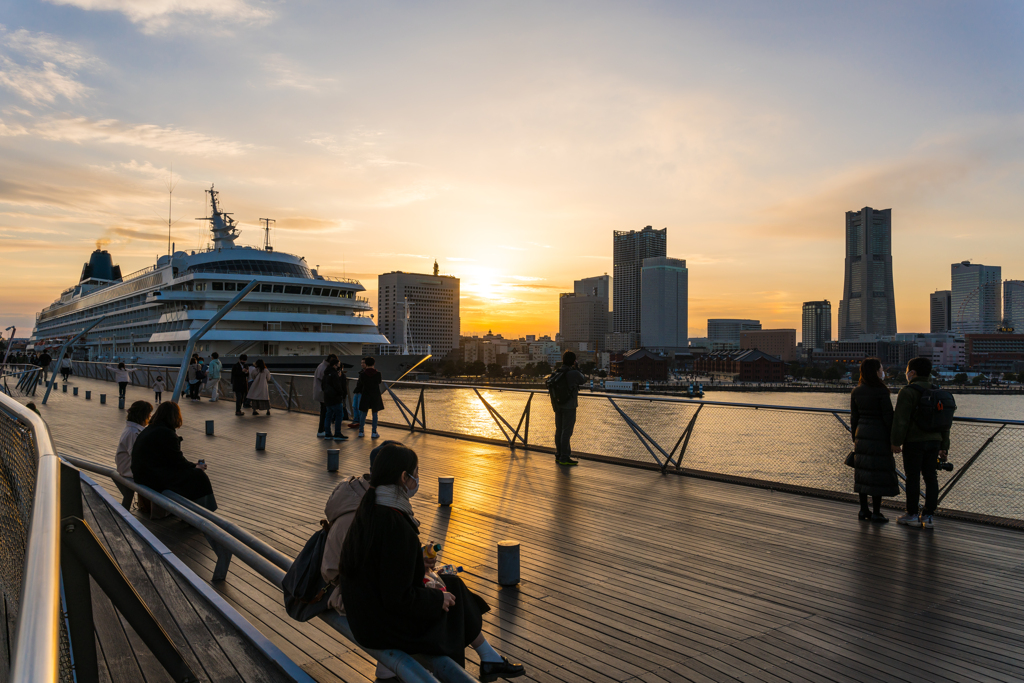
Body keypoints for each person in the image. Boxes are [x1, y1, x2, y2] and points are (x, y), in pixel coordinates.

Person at [340, 444, 525, 681]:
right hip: (381, 627)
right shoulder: (395, 525)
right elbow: (397, 598)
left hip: (365, 616)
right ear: (403, 477)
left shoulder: (372, 509)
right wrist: (438, 599)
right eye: (416, 473)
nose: (418, 479)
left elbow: (383, 569)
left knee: (452, 584)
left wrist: (416, 560)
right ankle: (455, 675)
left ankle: (489, 658)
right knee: (452, 603)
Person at [892, 357, 951, 529]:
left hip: (914, 441)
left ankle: (911, 514)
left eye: (907, 371)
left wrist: (895, 442)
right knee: (931, 477)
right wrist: (944, 446)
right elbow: (945, 423)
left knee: (913, 477)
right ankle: (928, 515)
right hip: (935, 442)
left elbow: (900, 420)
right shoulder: (937, 391)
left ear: (912, 372)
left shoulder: (907, 391)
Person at [131, 402, 217, 511]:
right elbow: (177, 461)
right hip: (152, 478)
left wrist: (192, 465)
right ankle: (204, 512)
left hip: (142, 474)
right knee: (199, 477)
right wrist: (196, 468)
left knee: (191, 474)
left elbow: (172, 459)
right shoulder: (166, 433)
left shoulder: (151, 429)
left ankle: (193, 511)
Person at [850, 358, 898, 523]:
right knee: (878, 473)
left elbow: (854, 418)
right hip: (879, 435)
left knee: (862, 472)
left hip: (861, 435)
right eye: (881, 369)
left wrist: (855, 438)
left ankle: (863, 510)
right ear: (875, 372)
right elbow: (888, 417)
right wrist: (894, 439)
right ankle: (877, 512)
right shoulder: (881, 391)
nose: (882, 371)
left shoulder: (856, 391)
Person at [549, 351, 587, 466]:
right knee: (567, 432)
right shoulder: (574, 373)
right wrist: (577, 368)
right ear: (573, 361)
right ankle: (564, 457)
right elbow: (583, 380)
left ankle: (559, 455)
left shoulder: (558, 371)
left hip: (557, 405)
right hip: (569, 406)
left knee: (559, 430)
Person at [115, 401, 152, 511]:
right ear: (144, 415)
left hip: (127, 467)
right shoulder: (133, 432)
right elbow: (137, 455)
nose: (150, 417)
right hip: (129, 469)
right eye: (149, 414)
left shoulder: (132, 429)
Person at [323, 356, 349, 441]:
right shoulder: (334, 374)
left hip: (327, 398)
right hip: (335, 398)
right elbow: (337, 386)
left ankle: (327, 433)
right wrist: (341, 394)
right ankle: (337, 433)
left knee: (328, 416)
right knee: (339, 415)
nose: (339, 366)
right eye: (338, 364)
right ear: (335, 365)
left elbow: (323, 386)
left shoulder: (326, 373)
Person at [356, 357, 383, 438]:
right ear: (374, 363)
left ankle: (361, 431)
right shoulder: (378, 374)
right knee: (375, 414)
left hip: (365, 394)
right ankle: (374, 432)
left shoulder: (362, 374)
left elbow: (361, 383)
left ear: (366, 364)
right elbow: (379, 382)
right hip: (375, 395)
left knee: (363, 413)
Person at [313, 354, 335, 438]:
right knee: (324, 412)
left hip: (320, 392)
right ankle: (321, 430)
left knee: (324, 412)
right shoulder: (325, 368)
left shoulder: (321, 365)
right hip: (323, 393)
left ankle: (323, 430)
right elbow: (326, 381)